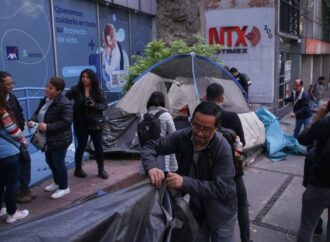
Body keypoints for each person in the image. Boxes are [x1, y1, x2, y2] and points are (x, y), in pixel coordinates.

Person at [142, 102, 237, 242]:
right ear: (191, 120)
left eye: (206, 129)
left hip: (221, 211)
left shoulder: (222, 148)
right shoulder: (183, 137)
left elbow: (222, 188)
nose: (199, 132)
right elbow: (150, 147)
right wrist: (151, 167)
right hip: (197, 208)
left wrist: (184, 182)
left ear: (216, 128)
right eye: (196, 125)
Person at [206, 83, 251, 242]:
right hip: (234, 173)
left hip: (208, 174)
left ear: (206, 97)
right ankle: (246, 239)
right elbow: (242, 142)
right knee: (242, 206)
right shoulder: (231, 117)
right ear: (222, 98)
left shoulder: (200, 117)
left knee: (209, 211)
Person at [28, 77, 72, 199]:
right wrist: (32, 120)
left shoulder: (64, 103)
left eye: (50, 88)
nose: (46, 89)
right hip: (47, 138)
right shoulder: (45, 100)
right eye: (47, 86)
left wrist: (48, 127)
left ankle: (64, 187)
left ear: (58, 91)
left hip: (60, 139)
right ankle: (57, 182)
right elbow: (38, 113)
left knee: (58, 162)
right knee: (50, 160)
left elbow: (66, 122)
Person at [66, 69, 109, 179]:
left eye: (87, 77)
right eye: (83, 77)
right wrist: (73, 109)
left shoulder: (98, 90)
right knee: (81, 146)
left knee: (98, 146)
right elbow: (65, 101)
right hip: (80, 122)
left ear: (92, 78)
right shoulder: (75, 90)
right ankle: (78, 169)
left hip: (95, 122)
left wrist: (94, 105)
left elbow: (104, 105)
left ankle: (101, 169)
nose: (84, 79)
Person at [297, 100, 330, 242]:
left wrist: (317, 117)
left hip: (320, 184)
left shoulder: (324, 123)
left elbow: (303, 138)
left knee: (307, 227)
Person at [0, 71, 35, 203]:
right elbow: (10, 127)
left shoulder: (12, 97)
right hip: (11, 142)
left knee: (25, 162)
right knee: (11, 173)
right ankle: (13, 204)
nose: (11, 86)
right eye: (8, 84)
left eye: (12, 83)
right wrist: (21, 139)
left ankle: (24, 189)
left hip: (17, 138)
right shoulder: (2, 105)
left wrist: (23, 130)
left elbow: (19, 115)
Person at [0, 82, 29, 223]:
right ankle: (12, 214)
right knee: (12, 184)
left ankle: (1, 209)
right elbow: (13, 131)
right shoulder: (1, 111)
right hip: (9, 154)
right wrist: (23, 139)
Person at [145, 91, 178, 172]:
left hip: (148, 151)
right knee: (163, 176)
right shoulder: (166, 115)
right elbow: (174, 134)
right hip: (163, 153)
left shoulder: (144, 116)